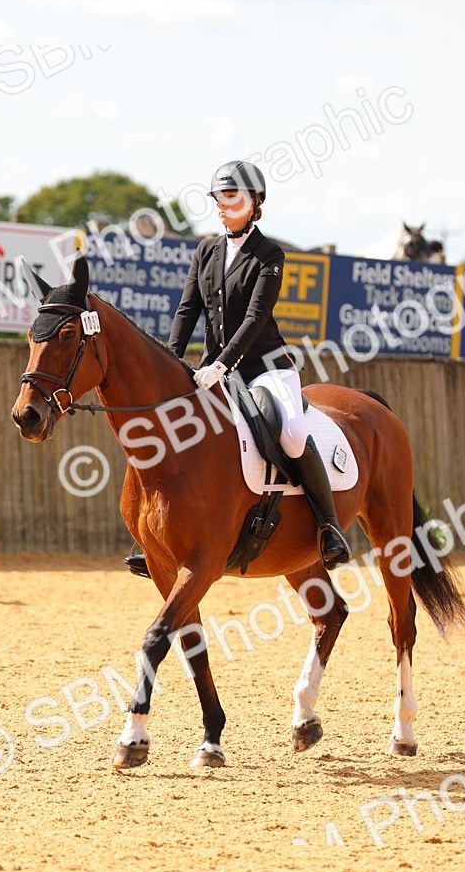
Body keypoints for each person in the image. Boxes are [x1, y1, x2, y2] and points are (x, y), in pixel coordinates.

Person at [125, 160, 350, 577]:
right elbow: (188, 309)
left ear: (255, 202)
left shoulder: (270, 254)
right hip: (215, 370)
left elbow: (255, 318)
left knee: (292, 433)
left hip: (266, 368)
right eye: (219, 198)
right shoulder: (205, 251)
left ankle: (329, 527)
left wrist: (222, 363)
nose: (222, 205)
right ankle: (157, 537)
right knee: (176, 428)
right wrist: (171, 362)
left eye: (232, 197)